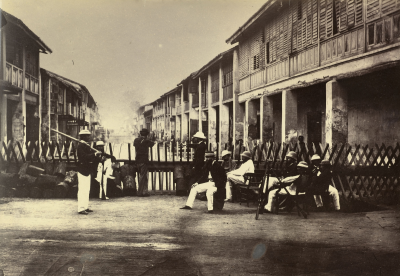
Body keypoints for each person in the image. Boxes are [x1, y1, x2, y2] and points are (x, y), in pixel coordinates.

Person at [77, 129, 102, 215]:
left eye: (88, 135)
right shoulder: (80, 146)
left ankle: (85, 206)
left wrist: (97, 156)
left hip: (87, 170)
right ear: (83, 137)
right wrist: (94, 154)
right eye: (87, 135)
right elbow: (84, 157)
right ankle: (81, 208)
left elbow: (91, 157)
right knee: (82, 190)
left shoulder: (86, 145)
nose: (89, 137)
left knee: (87, 189)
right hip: (82, 169)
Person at [134, 128, 155, 197]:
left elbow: (135, 149)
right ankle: (140, 192)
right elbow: (153, 144)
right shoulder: (147, 141)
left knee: (143, 176)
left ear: (140, 133)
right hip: (144, 160)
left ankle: (144, 192)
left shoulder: (136, 140)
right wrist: (151, 137)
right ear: (147, 135)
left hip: (137, 160)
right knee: (143, 176)